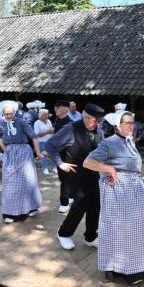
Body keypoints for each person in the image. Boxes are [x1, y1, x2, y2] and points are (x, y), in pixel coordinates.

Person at [83, 110, 144, 284]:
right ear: (117, 126)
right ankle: (123, 270)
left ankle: (135, 266)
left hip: (134, 190)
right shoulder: (109, 142)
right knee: (122, 229)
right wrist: (109, 169)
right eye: (127, 123)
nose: (132, 126)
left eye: (132, 123)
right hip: (118, 192)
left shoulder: (129, 141)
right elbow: (88, 162)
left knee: (139, 226)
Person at [47, 104, 105, 250]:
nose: (97, 124)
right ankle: (64, 233)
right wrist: (60, 163)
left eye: (99, 121)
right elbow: (50, 145)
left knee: (95, 203)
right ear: (86, 117)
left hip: (94, 172)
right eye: (94, 121)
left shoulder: (99, 131)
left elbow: (103, 150)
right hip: (76, 174)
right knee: (80, 204)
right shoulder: (71, 128)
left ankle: (90, 236)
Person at [0, 102, 44, 224]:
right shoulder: (2, 124)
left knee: (28, 180)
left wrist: (37, 152)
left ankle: (32, 207)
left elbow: (33, 136)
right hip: (10, 153)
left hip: (24, 151)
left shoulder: (22, 122)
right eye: (6, 114)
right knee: (9, 182)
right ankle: (10, 212)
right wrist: (4, 148)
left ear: (15, 113)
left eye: (11, 113)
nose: (9, 116)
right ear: (3, 114)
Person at [53, 99, 73, 213]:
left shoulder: (68, 123)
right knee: (64, 177)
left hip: (67, 154)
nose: (55, 109)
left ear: (63, 109)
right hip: (59, 153)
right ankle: (70, 196)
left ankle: (64, 202)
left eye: (56, 107)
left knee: (65, 178)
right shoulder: (58, 120)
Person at [34, 109, 57, 175]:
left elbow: (51, 130)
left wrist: (52, 132)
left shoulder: (49, 121)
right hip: (42, 141)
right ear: (41, 115)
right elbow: (37, 134)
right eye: (45, 114)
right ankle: (45, 168)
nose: (47, 115)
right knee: (44, 155)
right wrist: (47, 132)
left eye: (47, 114)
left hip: (50, 141)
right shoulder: (37, 123)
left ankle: (54, 167)